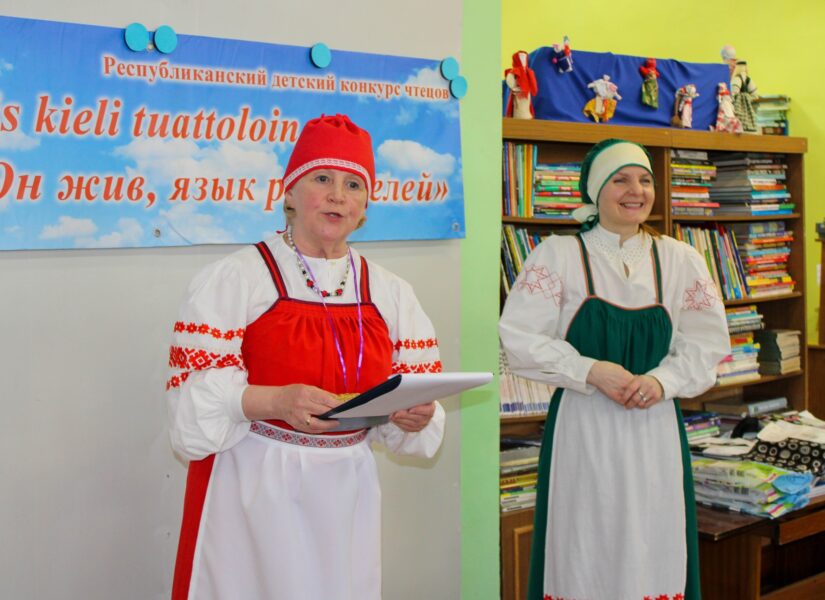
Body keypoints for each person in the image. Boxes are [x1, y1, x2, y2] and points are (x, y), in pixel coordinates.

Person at [166, 113, 445, 600]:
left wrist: (415, 416)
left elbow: (415, 397)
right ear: (289, 193)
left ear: (365, 207)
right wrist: (274, 401)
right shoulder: (237, 277)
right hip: (254, 486)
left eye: (353, 185)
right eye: (322, 179)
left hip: (348, 489)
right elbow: (188, 405)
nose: (338, 195)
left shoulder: (391, 292)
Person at [499, 139, 730, 600]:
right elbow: (519, 339)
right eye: (620, 179)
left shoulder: (680, 259)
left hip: (654, 427)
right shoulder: (557, 256)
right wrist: (590, 370)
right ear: (595, 190)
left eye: (645, 180)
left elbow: (708, 343)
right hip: (584, 427)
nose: (636, 190)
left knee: (651, 540)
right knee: (586, 543)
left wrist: (662, 380)